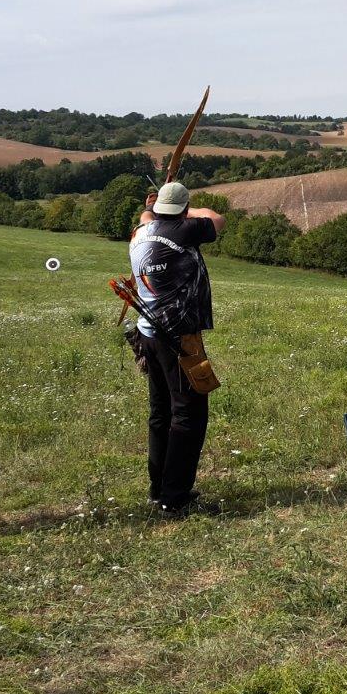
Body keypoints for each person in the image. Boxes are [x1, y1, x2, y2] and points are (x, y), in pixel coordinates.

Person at [129, 181, 226, 518]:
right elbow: (217, 218)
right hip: (179, 338)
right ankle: (175, 497)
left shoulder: (140, 232)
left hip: (148, 334)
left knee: (161, 412)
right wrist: (188, 209)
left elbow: (146, 217)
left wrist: (153, 206)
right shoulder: (185, 230)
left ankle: (159, 489)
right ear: (183, 210)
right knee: (188, 414)